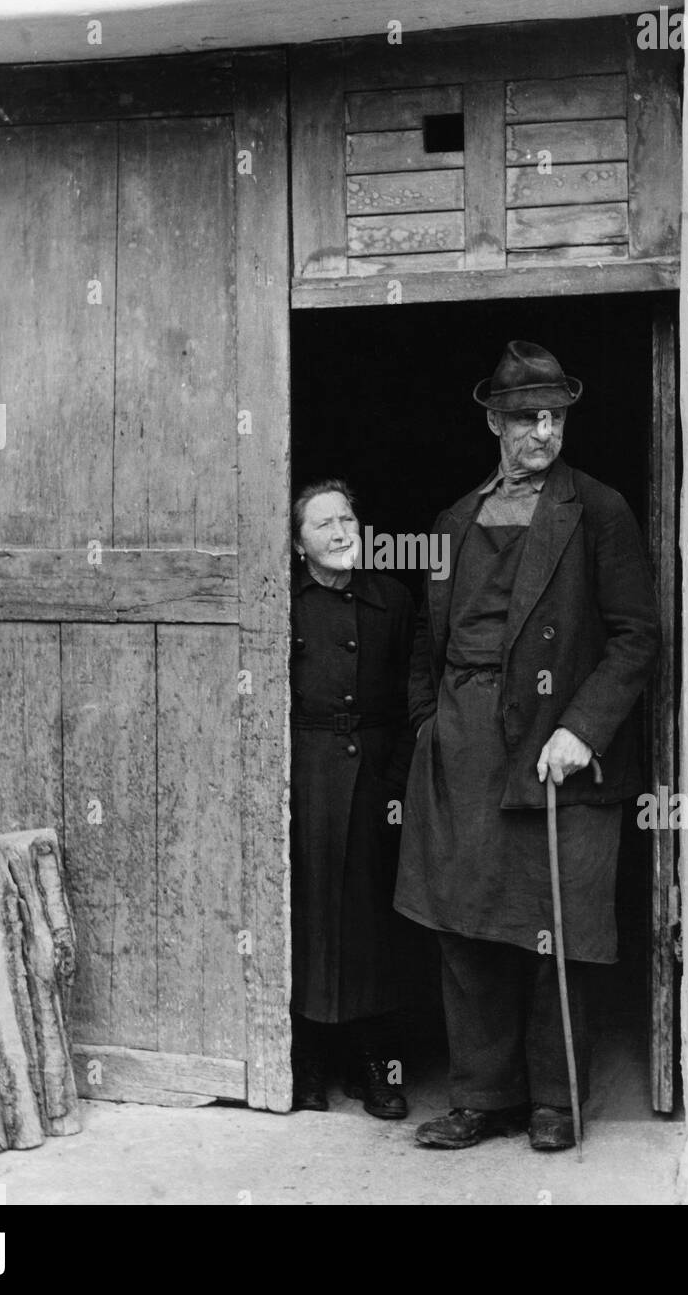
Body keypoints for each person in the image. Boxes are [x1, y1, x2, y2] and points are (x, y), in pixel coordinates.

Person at [394, 342, 661, 1151]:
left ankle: (554, 1101)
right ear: (494, 424)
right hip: (462, 749)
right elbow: (426, 641)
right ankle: (484, 1097)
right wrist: (430, 727)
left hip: (558, 748)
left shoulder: (599, 511)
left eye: (554, 416)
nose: (543, 431)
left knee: (557, 928)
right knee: (465, 926)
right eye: (526, 418)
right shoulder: (454, 520)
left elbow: (636, 636)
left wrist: (582, 729)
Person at [289, 479, 415, 1119]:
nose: (341, 533)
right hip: (306, 772)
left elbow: (414, 696)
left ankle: (374, 1064)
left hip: (375, 774)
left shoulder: (392, 600)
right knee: (307, 914)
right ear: (298, 545)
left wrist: (395, 778)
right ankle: (308, 1061)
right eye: (324, 525)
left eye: (347, 519)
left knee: (372, 919)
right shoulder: (281, 602)